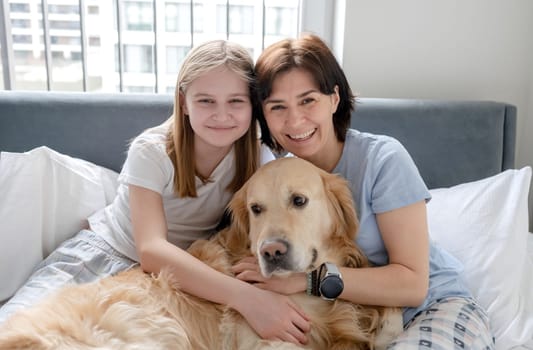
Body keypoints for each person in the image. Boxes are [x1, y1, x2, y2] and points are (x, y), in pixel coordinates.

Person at [0, 39, 312, 345]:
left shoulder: (258, 156)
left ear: (253, 105)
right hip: (109, 254)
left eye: (236, 101)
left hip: (179, 275)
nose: (221, 115)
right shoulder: (152, 151)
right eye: (206, 101)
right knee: (17, 330)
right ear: (184, 102)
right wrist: (248, 298)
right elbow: (150, 249)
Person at [232, 34, 495, 349]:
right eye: (277, 107)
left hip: (430, 307)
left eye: (308, 100)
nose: (294, 119)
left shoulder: (383, 159)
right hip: (353, 322)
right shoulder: (270, 180)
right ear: (264, 117)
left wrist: (307, 280)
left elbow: (413, 285)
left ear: (334, 98)